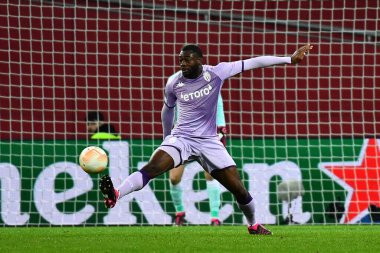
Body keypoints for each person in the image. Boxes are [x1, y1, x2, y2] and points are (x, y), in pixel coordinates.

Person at [99, 43, 312, 235]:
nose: (182, 63)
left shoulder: (217, 72)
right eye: (180, 60)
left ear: (199, 60)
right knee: (151, 168)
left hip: (209, 142)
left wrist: (288, 59)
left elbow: (253, 62)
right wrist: (166, 139)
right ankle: (116, 194)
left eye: (186, 59)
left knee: (238, 189)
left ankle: (254, 224)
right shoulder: (173, 83)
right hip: (182, 138)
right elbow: (167, 111)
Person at [170, 93, 227, 226]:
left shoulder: (210, 76)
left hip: (211, 129)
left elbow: (216, 102)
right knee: (174, 177)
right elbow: (171, 108)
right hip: (183, 131)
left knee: (211, 174)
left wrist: (219, 128)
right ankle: (179, 213)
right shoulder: (175, 81)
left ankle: (215, 217)